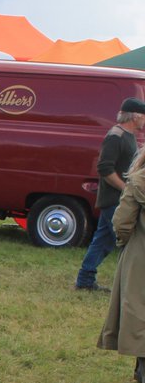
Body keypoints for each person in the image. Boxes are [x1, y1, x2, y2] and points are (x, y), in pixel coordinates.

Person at [76, 97, 145, 291]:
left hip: (118, 199)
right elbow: (105, 168)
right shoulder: (116, 136)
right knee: (129, 242)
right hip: (114, 199)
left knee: (103, 240)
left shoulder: (128, 135)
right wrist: (127, 189)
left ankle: (85, 280)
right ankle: (128, 284)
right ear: (136, 116)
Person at [98, 147, 145, 383]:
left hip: (141, 254)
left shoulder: (138, 181)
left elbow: (122, 221)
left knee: (138, 310)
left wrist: (124, 241)